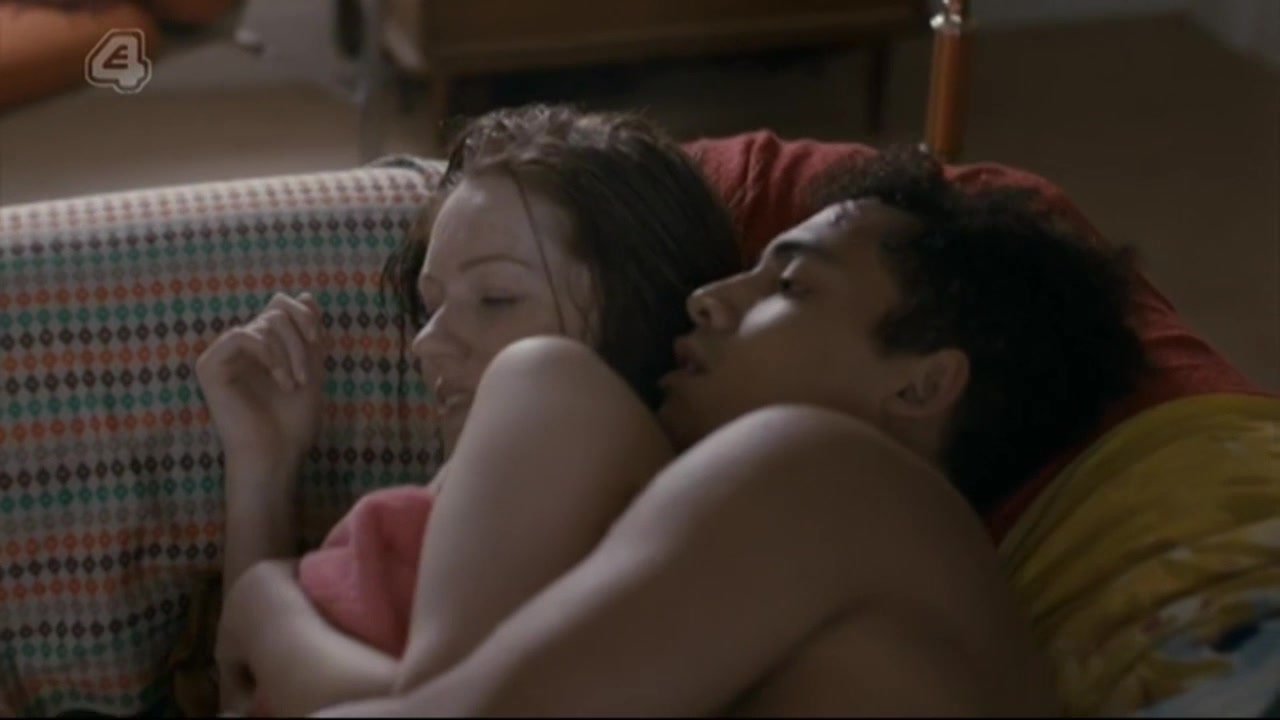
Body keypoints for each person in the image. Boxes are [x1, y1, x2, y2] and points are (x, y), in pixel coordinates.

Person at [285, 143, 1150, 716]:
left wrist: (264, 604)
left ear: (922, 383)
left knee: (546, 382)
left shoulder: (825, 468)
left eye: (790, 287)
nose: (709, 298)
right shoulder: (836, 541)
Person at [194, 104, 742, 714]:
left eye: (496, 298)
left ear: (646, 305)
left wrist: (267, 603)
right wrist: (263, 469)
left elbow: (426, 707)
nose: (426, 344)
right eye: (431, 308)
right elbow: (245, 685)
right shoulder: (469, 505)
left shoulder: (559, 388)